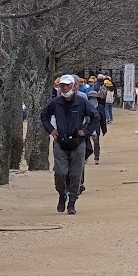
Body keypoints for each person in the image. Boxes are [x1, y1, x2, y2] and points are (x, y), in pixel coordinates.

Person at [41, 74, 99, 215]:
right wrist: (51, 130)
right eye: (62, 85)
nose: (65, 87)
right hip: (60, 142)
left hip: (78, 143)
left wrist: (86, 131)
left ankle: (72, 202)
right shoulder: (55, 102)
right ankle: (62, 195)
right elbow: (44, 115)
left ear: (73, 86)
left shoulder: (81, 101)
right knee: (60, 172)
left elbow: (95, 116)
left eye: (67, 85)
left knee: (75, 174)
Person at [88, 89, 107, 164]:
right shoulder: (86, 106)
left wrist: (104, 129)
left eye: (94, 98)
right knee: (86, 143)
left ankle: (96, 157)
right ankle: (86, 156)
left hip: (96, 127)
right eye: (91, 98)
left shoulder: (100, 107)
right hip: (86, 128)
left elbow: (103, 119)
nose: (92, 100)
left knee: (96, 143)